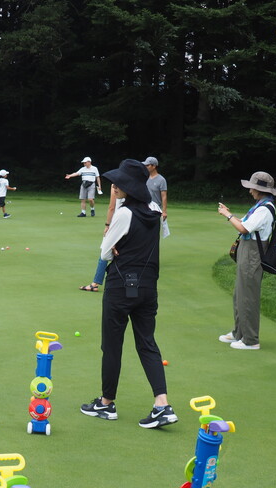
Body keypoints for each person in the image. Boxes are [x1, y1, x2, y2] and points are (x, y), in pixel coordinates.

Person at [80, 159, 178, 429]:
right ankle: (162, 404)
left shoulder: (124, 214)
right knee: (147, 343)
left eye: (119, 182)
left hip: (121, 286)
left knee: (112, 345)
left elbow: (104, 251)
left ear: (130, 187)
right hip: (148, 286)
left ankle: (106, 402)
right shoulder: (155, 209)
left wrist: (114, 246)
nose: (114, 186)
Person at [217, 172, 276, 350]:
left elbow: (244, 228)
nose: (250, 190)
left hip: (253, 255)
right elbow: (245, 221)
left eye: (252, 188)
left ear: (259, 190)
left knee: (248, 297)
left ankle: (251, 340)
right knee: (240, 294)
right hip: (247, 252)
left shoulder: (264, 209)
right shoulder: (259, 206)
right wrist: (230, 214)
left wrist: (227, 215)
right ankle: (239, 333)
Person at [79, 185, 123, 292]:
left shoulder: (116, 185)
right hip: (130, 222)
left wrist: (107, 225)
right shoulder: (135, 184)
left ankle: (95, 284)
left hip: (117, 222)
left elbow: (112, 207)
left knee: (105, 252)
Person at [144, 157, 168, 221]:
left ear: (154, 166)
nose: (145, 167)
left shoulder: (161, 180)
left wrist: (164, 211)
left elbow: (164, 196)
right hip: (145, 208)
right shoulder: (144, 178)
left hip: (156, 209)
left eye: (147, 165)